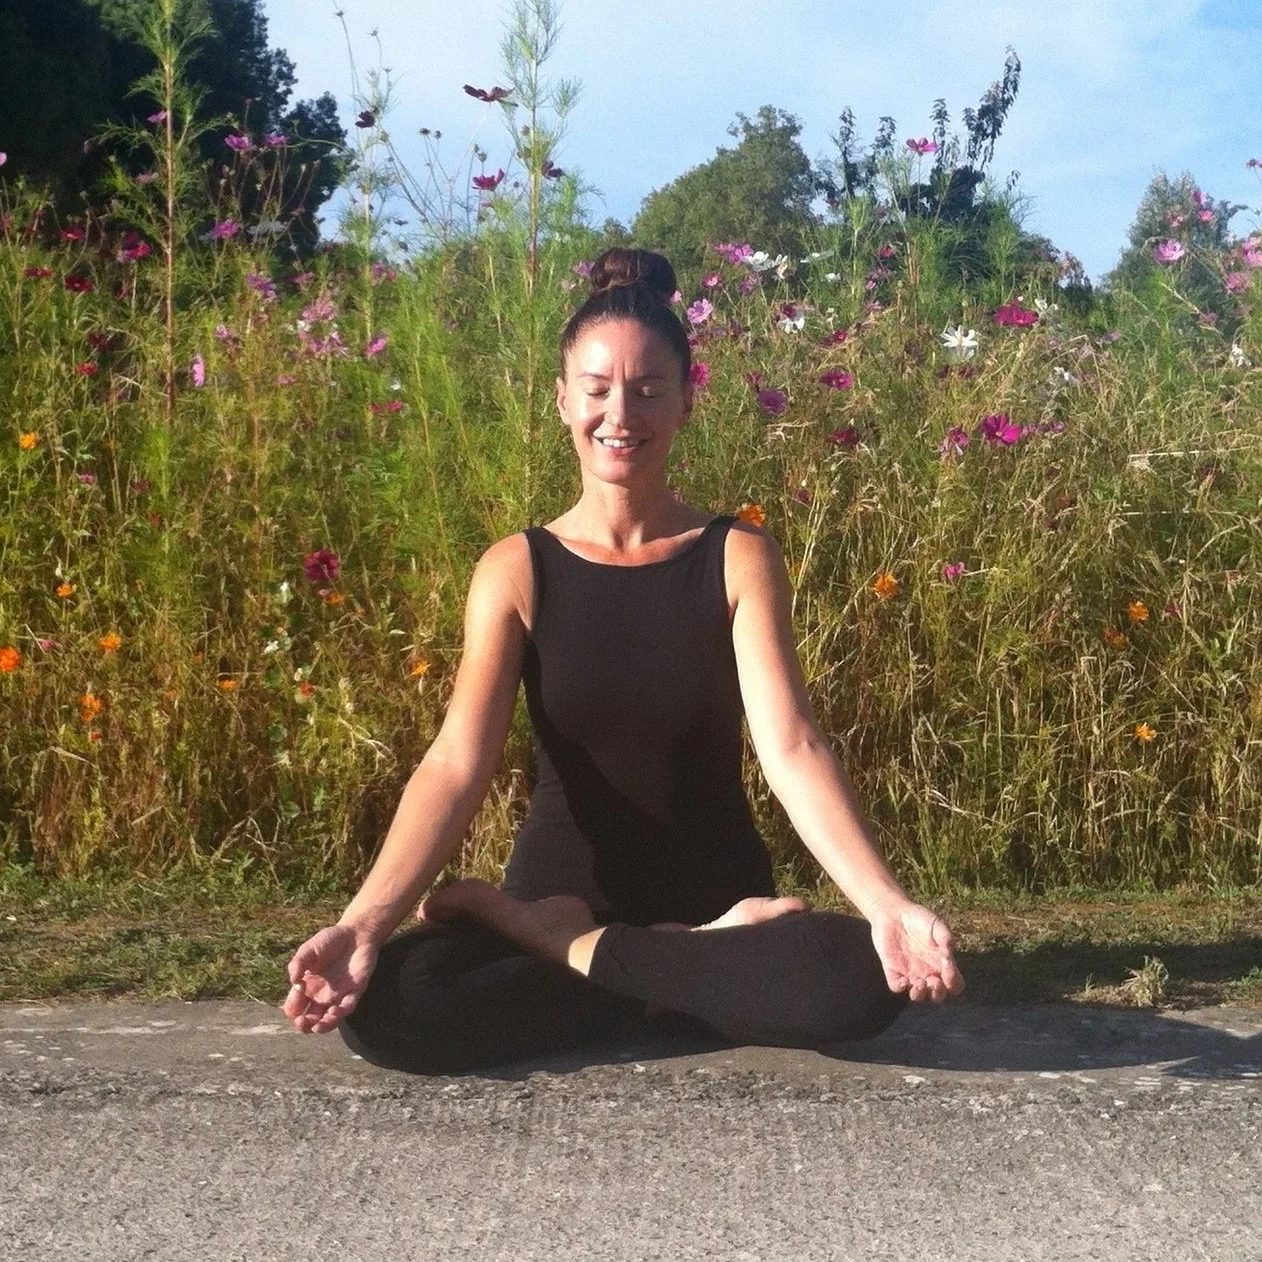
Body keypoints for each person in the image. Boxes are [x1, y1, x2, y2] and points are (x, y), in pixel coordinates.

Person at [279, 247, 963, 1073]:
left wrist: (886, 905)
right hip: (566, 885)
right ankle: (667, 970)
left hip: (713, 894)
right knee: (393, 1006)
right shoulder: (516, 569)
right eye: (598, 389)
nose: (620, 414)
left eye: (648, 391)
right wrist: (361, 925)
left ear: (684, 402)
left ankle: (573, 952)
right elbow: (458, 762)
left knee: (857, 981)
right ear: (562, 400)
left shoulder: (737, 555)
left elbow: (793, 747)